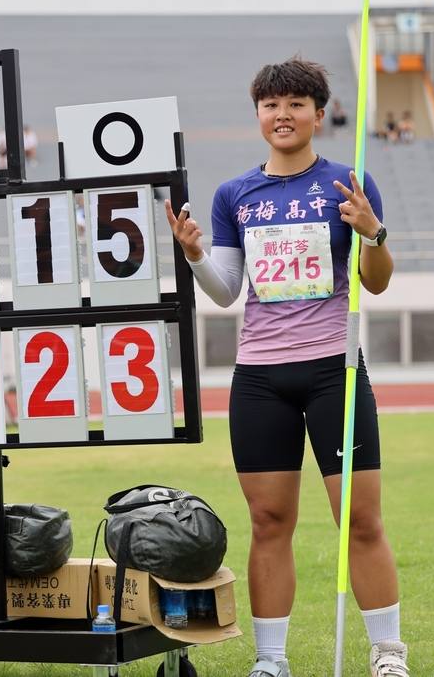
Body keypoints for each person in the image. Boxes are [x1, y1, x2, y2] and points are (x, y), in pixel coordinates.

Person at [165, 58, 407, 677]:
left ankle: (387, 653)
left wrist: (372, 232)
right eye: (271, 105)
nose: (283, 115)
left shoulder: (350, 184)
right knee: (269, 521)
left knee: (358, 516)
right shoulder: (234, 195)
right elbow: (225, 291)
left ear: (319, 115)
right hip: (260, 379)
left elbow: (374, 285)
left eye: (297, 104)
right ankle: (271, 660)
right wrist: (194, 255)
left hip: (334, 372)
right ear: (258, 115)